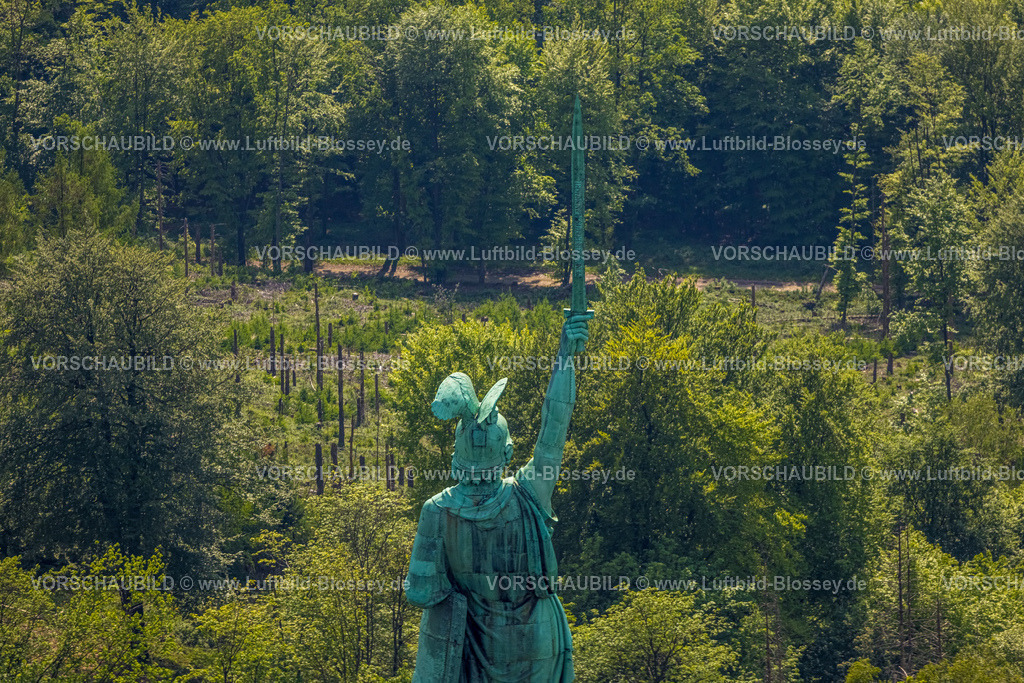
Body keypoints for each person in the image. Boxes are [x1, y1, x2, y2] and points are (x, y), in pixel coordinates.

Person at [405, 312, 592, 683]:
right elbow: (554, 427)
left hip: (477, 648)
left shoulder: (436, 511)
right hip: (538, 644)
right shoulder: (530, 492)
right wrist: (565, 356)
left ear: (455, 457)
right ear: (507, 453)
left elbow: (421, 594)